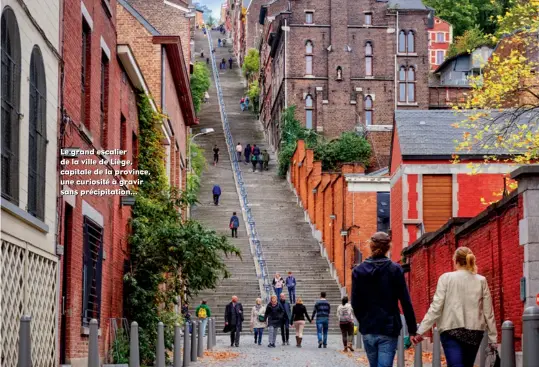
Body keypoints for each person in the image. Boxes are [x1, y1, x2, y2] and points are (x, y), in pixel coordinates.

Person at [411, 247, 497, 367]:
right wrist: (493, 338)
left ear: (455, 260)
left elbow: (436, 307)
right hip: (474, 332)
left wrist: (421, 331)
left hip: (450, 330)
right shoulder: (481, 280)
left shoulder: (446, 278)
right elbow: (488, 312)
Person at [351, 232, 417, 367]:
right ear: (389, 247)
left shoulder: (359, 271)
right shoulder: (395, 270)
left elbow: (355, 303)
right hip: (388, 327)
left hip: (368, 327)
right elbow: (405, 301)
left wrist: (363, 320)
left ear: (370, 245)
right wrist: (412, 330)